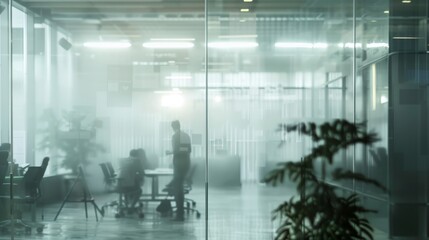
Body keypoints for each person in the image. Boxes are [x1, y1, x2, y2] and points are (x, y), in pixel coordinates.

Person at [166, 120, 191, 221]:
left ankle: (180, 213)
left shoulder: (175, 136)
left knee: (178, 189)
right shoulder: (186, 135)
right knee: (179, 186)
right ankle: (180, 210)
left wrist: (170, 152)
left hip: (179, 163)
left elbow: (176, 150)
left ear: (173, 127)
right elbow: (188, 150)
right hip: (186, 163)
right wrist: (179, 151)